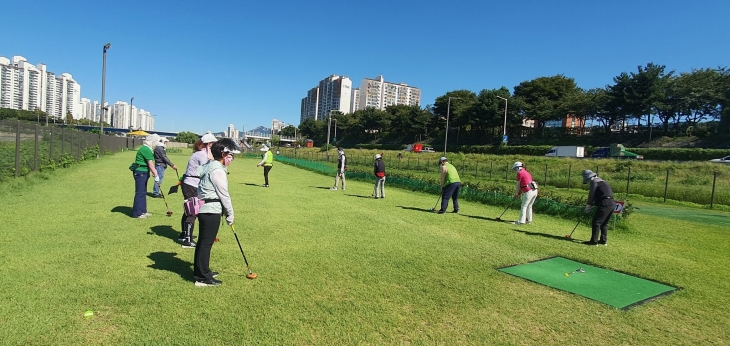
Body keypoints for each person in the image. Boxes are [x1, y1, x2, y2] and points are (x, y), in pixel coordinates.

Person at [193, 138, 239, 286]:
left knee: (203, 242)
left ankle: (201, 270)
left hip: (205, 209)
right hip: (210, 210)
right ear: (223, 153)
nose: (231, 158)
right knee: (206, 243)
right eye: (229, 154)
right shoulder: (217, 170)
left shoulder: (209, 165)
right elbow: (223, 194)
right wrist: (230, 214)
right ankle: (203, 277)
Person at [179, 133, 218, 248]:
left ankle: (184, 234)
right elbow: (207, 168)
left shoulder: (201, 153)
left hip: (191, 183)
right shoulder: (202, 155)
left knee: (189, 209)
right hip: (192, 184)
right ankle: (187, 240)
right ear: (209, 144)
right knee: (193, 211)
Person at [582, 169, 616, 246]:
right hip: (611, 203)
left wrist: (588, 205)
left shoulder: (594, 181)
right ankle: (603, 241)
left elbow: (592, 194)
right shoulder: (602, 181)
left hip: (605, 203)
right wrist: (595, 202)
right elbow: (602, 194)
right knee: (604, 223)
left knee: (596, 222)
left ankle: (594, 242)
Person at [131, 134, 161, 219]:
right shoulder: (145, 149)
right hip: (140, 173)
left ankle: (143, 211)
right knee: (140, 192)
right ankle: (137, 213)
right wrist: (156, 175)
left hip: (144, 172)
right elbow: (151, 164)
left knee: (143, 192)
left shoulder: (148, 149)